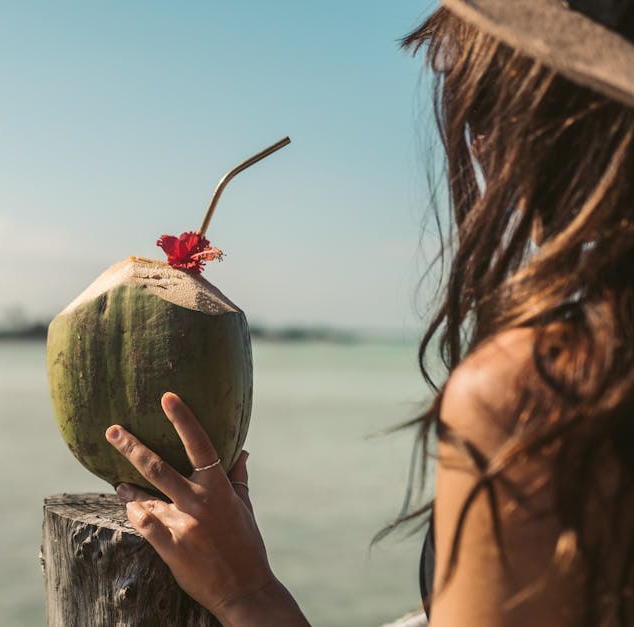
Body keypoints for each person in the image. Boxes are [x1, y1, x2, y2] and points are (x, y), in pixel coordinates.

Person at [104, 1, 634, 625]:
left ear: (566, 106)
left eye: (480, 91)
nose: (476, 139)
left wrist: (245, 591)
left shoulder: (538, 394)